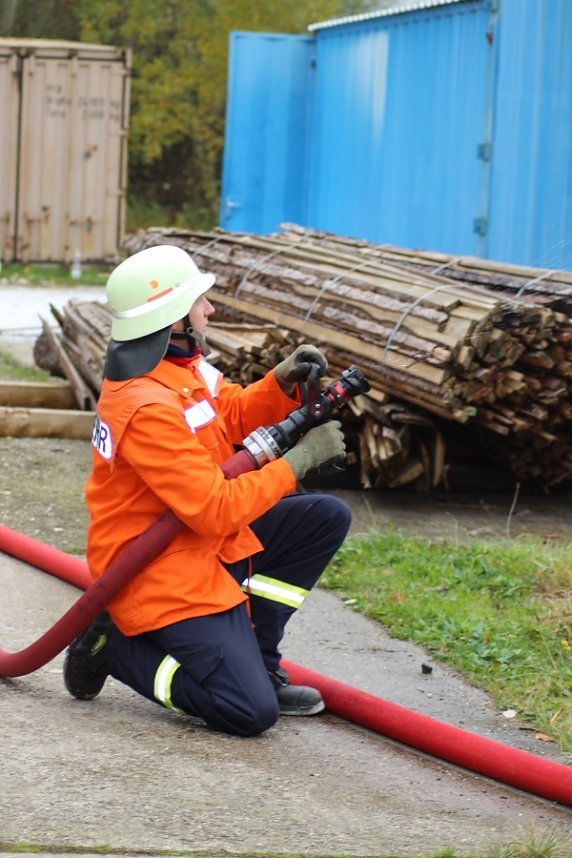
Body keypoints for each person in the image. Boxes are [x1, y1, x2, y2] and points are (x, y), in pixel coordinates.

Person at [63, 244, 351, 737]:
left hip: (198, 542)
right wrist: (296, 463)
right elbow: (216, 508)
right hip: (158, 570)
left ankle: (260, 662)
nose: (210, 310)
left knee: (323, 518)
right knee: (248, 711)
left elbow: (229, 413)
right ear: (172, 317)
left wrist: (280, 384)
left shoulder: (181, 367)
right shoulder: (145, 407)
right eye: (200, 301)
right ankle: (118, 651)